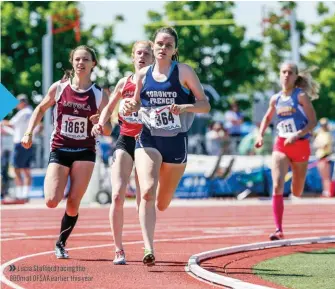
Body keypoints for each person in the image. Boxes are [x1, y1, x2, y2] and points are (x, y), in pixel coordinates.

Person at [123, 27, 211, 265]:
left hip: (175, 143)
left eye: (168, 45)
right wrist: (128, 107)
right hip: (148, 137)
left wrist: (185, 108)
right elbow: (135, 103)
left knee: (162, 202)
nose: (163, 48)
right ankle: (148, 248)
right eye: (160, 44)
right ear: (153, 45)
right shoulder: (143, 74)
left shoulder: (183, 72)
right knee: (148, 191)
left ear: (175, 50)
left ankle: (161, 203)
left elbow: (205, 105)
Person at [21, 45, 112, 258]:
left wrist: (100, 122)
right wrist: (28, 133)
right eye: (77, 59)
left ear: (93, 64)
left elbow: (108, 129)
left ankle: (61, 243)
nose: (81, 63)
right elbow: (40, 108)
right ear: (72, 62)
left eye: (86, 59)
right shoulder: (59, 88)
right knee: (51, 201)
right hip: (60, 147)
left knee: (73, 203)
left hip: (85, 150)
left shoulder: (100, 95)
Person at [91, 40, 154, 265]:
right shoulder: (124, 82)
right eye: (138, 53)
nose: (142, 56)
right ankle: (118, 249)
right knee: (117, 195)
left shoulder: (158, 85)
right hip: (125, 139)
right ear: (132, 57)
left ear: (154, 58)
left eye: (147, 53)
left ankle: (148, 246)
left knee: (144, 197)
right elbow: (110, 106)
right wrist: (101, 122)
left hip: (148, 143)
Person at [255, 62, 318, 241]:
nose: (286, 75)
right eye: (283, 72)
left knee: (297, 191)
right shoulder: (275, 99)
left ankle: (294, 191)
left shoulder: (301, 96)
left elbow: (313, 122)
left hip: (300, 145)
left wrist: (298, 135)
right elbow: (267, 118)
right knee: (277, 185)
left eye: (290, 72)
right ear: (279, 74)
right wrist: (260, 136)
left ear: (296, 76)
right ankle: (279, 229)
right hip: (281, 143)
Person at [1, 94, 34, 200]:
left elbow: (11, 123)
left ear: (23, 102)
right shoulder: (31, 112)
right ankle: (25, 194)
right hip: (28, 142)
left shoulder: (23, 112)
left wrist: (2, 123)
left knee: (16, 169)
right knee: (26, 169)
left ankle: (20, 194)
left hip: (20, 143)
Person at [313, 117, 333, 197]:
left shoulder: (328, 134)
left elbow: (324, 146)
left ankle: (327, 191)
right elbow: (315, 144)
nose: (323, 126)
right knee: (323, 176)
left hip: (324, 157)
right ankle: (325, 191)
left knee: (326, 176)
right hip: (319, 157)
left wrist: (319, 145)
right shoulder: (319, 134)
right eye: (321, 125)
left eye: (324, 125)